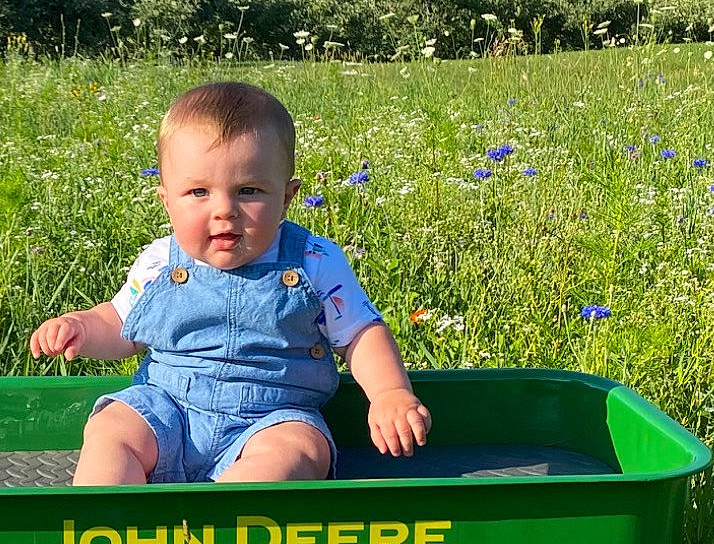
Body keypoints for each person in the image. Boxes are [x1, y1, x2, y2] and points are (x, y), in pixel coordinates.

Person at [30, 81, 431, 486]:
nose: (225, 210)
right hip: (167, 408)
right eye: (198, 191)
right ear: (167, 199)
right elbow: (121, 325)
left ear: (287, 197)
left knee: (301, 449)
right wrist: (82, 326)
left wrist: (388, 393)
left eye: (249, 191)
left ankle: (226, 518)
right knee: (110, 429)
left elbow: (360, 333)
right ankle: (109, 526)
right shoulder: (158, 263)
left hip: (272, 417)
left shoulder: (313, 260)